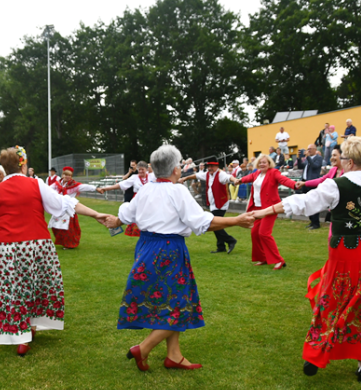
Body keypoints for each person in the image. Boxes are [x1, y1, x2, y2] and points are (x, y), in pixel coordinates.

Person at [253, 137, 361, 383]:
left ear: (350, 162)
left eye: (342, 158)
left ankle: (317, 353)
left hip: (347, 255)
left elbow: (305, 203)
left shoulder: (336, 185)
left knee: (332, 300)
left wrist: (266, 210)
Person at [103, 144, 254, 372]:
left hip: (145, 246)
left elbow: (126, 214)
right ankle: (143, 348)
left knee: (172, 300)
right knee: (179, 303)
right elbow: (203, 222)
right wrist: (236, 221)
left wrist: (115, 221)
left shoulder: (146, 189)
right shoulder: (176, 190)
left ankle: (174, 355)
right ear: (175, 169)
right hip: (168, 249)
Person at [0, 146, 108, 356]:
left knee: (14, 290)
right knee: (36, 285)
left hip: (7, 248)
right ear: (23, 165)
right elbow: (64, 204)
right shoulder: (37, 184)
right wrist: (96, 214)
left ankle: (22, 333)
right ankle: (30, 328)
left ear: (4, 168)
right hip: (37, 245)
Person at [236, 154, 299, 268]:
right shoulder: (256, 173)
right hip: (257, 208)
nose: (262, 164)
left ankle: (279, 260)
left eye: (264, 162)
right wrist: (239, 181)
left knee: (264, 233)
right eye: (260, 162)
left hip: (270, 208)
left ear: (269, 164)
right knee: (255, 233)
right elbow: (248, 178)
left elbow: (283, 180)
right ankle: (263, 258)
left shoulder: (273, 172)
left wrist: (294, 184)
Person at [179, 160, 238, 254]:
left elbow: (229, 177)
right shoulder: (207, 174)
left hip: (220, 203)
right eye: (209, 166)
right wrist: (185, 178)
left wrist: (235, 180)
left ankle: (230, 240)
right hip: (213, 203)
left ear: (217, 167)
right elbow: (196, 175)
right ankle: (221, 246)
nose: (210, 168)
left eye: (212, 166)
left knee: (214, 224)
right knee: (216, 224)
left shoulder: (221, 174)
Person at [97, 161, 151, 236]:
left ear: (146, 169)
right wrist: (105, 189)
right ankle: (114, 227)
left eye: (143, 169)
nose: (141, 171)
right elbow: (120, 185)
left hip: (149, 202)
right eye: (139, 169)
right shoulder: (134, 178)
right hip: (137, 202)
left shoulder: (152, 176)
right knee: (131, 217)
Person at [49, 166, 98, 249]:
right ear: (62, 175)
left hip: (69, 209)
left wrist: (96, 188)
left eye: (69, 175)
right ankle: (62, 242)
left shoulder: (74, 185)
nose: (67, 177)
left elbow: (84, 187)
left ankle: (70, 244)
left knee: (68, 228)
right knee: (56, 227)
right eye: (65, 174)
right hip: (59, 208)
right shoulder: (57, 184)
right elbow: (48, 189)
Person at [296, 144, 324, 230]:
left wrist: (307, 157)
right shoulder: (308, 159)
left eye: (310, 149)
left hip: (312, 183)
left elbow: (315, 166)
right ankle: (312, 221)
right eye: (308, 149)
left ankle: (316, 223)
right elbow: (300, 166)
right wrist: (298, 158)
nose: (308, 150)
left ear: (315, 149)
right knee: (307, 203)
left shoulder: (318, 158)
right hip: (304, 182)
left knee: (313, 203)